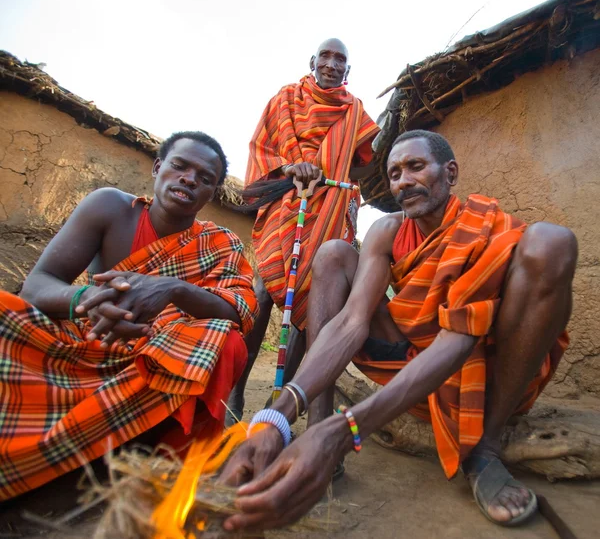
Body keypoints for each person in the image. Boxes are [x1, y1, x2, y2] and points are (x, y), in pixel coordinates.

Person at [219, 130, 577, 531]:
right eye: (393, 174)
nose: (403, 180)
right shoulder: (389, 231)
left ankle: (485, 449)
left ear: (451, 172)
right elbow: (353, 321)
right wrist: (275, 417)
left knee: (551, 240)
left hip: (489, 377)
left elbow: (459, 338)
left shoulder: (486, 227)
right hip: (413, 366)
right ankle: (315, 428)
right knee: (334, 252)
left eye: (415, 167)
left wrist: (347, 429)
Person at [0, 131, 258, 501]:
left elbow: (241, 309)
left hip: (155, 360)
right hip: (90, 340)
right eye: (180, 166)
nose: (189, 179)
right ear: (157, 167)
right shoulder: (109, 208)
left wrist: (174, 289)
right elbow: (36, 286)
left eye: (205, 179)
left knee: (226, 340)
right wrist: (86, 297)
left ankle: (160, 454)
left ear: (212, 194)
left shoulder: (221, 244)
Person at [227, 38, 380, 423]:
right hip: (286, 202)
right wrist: (291, 167)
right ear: (312, 61)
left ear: (348, 70)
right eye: (325, 56)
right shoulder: (284, 100)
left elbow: (364, 164)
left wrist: (331, 172)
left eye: (340, 59)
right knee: (264, 290)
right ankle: (235, 393)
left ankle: (277, 409)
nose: (331, 63)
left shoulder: (356, 111)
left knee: (311, 304)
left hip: (329, 207)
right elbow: (261, 146)